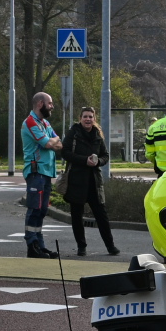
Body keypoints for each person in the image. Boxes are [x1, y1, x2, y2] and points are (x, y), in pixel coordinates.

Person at [62, 106, 119, 256]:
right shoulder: (73, 133)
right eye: (85, 116)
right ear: (80, 118)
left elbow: (106, 155)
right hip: (76, 180)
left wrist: (98, 161)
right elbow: (65, 152)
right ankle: (81, 246)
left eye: (90, 117)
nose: (88, 119)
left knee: (101, 215)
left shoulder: (97, 135)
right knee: (77, 215)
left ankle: (110, 246)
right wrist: (83, 160)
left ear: (94, 119)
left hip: (94, 181)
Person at [20, 90, 63, 258]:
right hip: (36, 171)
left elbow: (59, 142)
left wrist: (52, 142)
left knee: (42, 209)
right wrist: (51, 142)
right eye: (50, 103)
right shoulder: (30, 122)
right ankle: (32, 245)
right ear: (40, 104)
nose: (52, 106)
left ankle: (40, 244)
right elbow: (47, 143)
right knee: (34, 208)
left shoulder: (44, 123)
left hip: (45, 172)